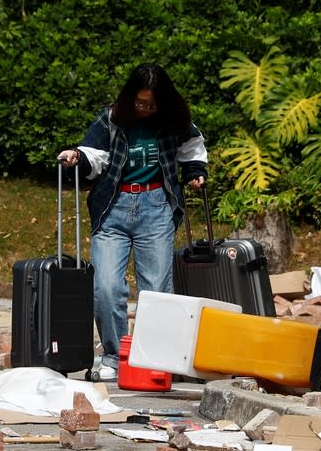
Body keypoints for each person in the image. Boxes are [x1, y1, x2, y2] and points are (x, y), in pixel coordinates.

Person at [58, 63, 208, 381]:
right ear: (130, 98)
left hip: (156, 207)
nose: (146, 109)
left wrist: (195, 172)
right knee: (107, 287)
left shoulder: (173, 120)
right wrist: (78, 157)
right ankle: (114, 356)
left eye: (152, 104)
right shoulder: (112, 118)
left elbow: (193, 146)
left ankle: (151, 356)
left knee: (156, 290)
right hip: (114, 206)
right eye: (141, 103)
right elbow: (93, 153)